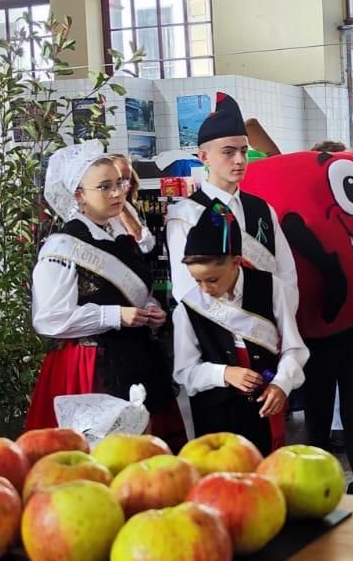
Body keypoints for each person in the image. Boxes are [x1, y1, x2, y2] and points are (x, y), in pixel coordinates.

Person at [26, 142, 179, 444]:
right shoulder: (63, 247)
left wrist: (149, 310)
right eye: (104, 187)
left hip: (137, 358)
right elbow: (49, 319)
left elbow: (133, 293)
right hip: (90, 367)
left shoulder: (121, 236)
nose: (117, 193)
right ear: (79, 195)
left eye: (120, 183)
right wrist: (115, 315)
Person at [174, 201, 306, 453]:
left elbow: (294, 348)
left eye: (212, 279)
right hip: (215, 419)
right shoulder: (188, 308)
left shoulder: (271, 287)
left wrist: (281, 384)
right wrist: (223, 373)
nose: (205, 289)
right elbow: (184, 372)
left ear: (236, 262)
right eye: (196, 280)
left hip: (264, 410)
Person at [167, 93, 297, 287]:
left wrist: (279, 315)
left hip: (268, 315)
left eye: (243, 151)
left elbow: (287, 276)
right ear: (204, 157)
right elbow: (186, 289)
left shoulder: (261, 208)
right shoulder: (185, 214)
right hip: (211, 317)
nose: (239, 160)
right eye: (228, 152)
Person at [106, 153, 156, 255]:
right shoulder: (94, 210)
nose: (126, 185)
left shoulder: (128, 207)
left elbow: (147, 246)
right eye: (120, 179)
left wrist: (122, 207)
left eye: (127, 179)